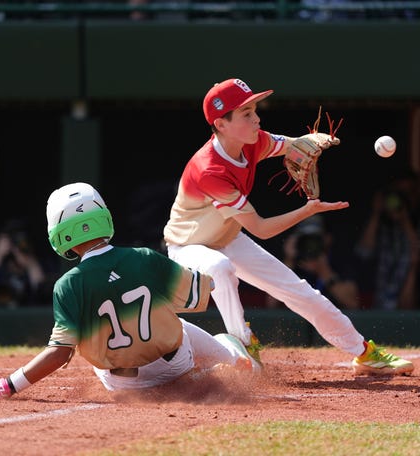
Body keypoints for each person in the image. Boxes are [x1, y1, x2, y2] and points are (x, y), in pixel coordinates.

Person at [163, 77, 413, 375]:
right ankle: (244, 343)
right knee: (219, 267)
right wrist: (307, 211)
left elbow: (289, 146)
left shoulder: (252, 142)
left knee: (300, 292)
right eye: (246, 113)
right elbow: (262, 228)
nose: (256, 118)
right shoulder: (210, 170)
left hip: (226, 237)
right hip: (188, 248)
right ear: (221, 124)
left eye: (254, 109)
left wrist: (308, 142)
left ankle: (364, 353)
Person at [0, 182, 260, 401]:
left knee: (80, 339)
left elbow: (58, 354)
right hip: (175, 365)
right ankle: (234, 358)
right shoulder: (144, 257)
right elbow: (202, 291)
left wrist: (5, 386)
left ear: (59, 233)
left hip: (122, 386)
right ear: (103, 218)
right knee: (179, 324)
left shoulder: (67, 284)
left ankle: (191, 377)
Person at [354, 173, 419, 310]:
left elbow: (417, 254)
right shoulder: (379, 224)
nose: (403, 198)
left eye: (407, 193)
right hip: (377, 303)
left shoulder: (415, 222)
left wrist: (405, 219)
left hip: (410, 301)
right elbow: (364, 252)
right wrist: (376, 212)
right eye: (399, 193)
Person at [282, 215, 360, 310]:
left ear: (327, 238)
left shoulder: (340, 261)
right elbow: (271, 303)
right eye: (306, 238)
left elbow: (352, 303)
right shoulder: (292, 262)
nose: (310, 244)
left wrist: (324, 271)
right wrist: (289, 261)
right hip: (295, 321)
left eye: (315, 238)